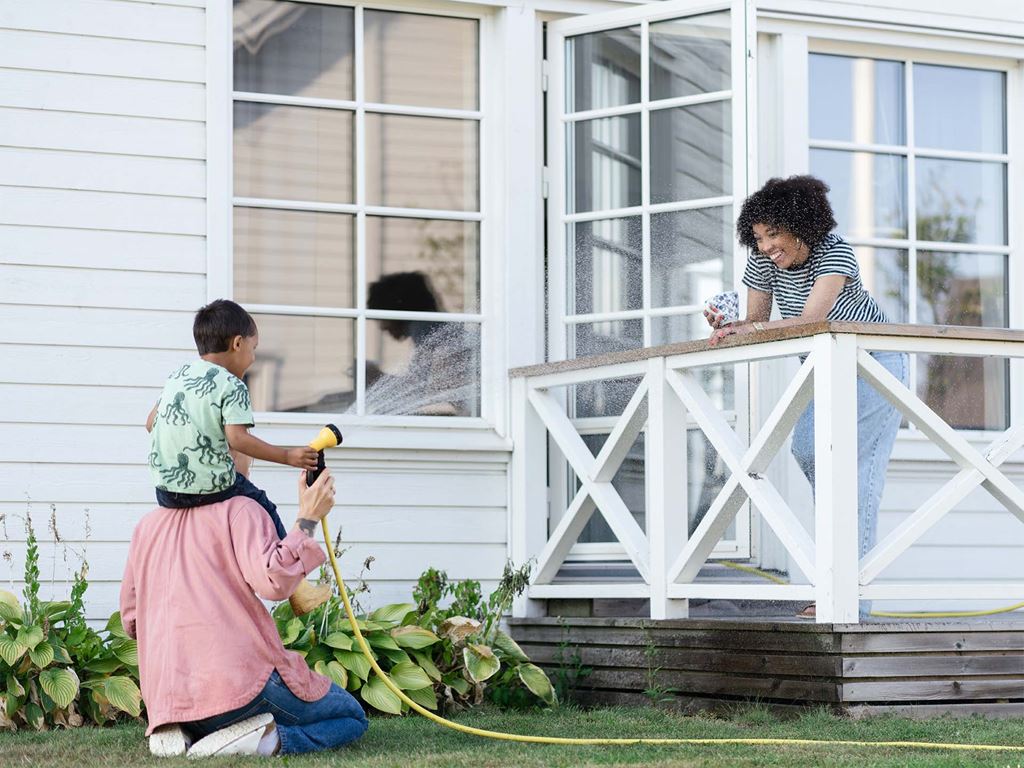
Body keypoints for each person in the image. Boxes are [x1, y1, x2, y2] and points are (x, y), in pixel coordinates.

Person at [706, 175, 907, 619]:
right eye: (757, 237)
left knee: (855, 482)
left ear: (800, 224)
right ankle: (839, 581)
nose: (765, 247)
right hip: (826, 369)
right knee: (810, 452)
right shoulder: (763, 263)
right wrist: (728, 322)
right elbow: (757, 322)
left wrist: (749, 327)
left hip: (876, 364)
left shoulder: (833, 250)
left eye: (773, 234)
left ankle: (852, 602)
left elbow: (812, 320)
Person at [120, 468, 369, 757]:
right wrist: (308, 517)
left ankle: (184, 730)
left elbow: (131, 619)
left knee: (205, 707)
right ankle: (266, 742)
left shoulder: (147, 526)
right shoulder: (241, 509)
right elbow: (276, 581)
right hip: (236, 692)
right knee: (351, 717)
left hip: (169, 699)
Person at [145, 299, 330, 614]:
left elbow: (151, 423)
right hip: (211, 490)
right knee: (262, 503)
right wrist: (288, 456)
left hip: (167, 494)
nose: (253, 358)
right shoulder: (232, 386)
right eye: (254, 349)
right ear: (237, 343)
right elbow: (237, 439)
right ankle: (300, 589)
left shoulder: (178, 377)